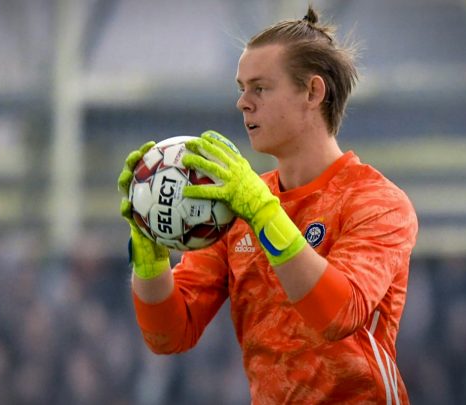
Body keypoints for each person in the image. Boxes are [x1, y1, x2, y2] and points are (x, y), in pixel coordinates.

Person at [118, 6, 418, 404]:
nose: (243, 102)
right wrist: (150, 252)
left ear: (313, 92)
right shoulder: (235, 205)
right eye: (241, 88)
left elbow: (337, 314)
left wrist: (262, 212)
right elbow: (170, 333)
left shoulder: (378, 202)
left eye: (260, 88)